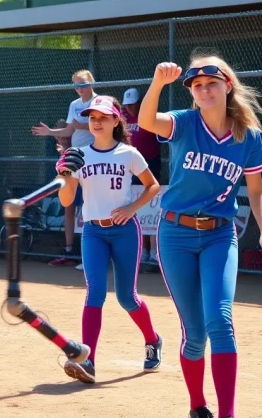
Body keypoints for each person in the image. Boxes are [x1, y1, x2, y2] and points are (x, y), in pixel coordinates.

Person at [139, 55, 262, 418]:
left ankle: (228, 413)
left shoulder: (246, 136)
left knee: (221, 320)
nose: (204, 90)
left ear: (227, 86)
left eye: (211, 84)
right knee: (195, 333)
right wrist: (157, 83)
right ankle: (198, 406)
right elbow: (146, 121)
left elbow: (256, 189)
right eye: (197, 86)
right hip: (176, 235)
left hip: (219, 235)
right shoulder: (185, 123)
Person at [57, 95, 162, 384]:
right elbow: (67, 199)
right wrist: (65, 174)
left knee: (128, 297)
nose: (97, 121)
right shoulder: (79, 154)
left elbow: (152, 186)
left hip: (125, 230)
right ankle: (88, 360)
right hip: (93, 231)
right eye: (92, 117)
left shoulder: (128, 153)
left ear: (117, 120)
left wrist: (131, 208)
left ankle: (152, 340)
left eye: (103, 117)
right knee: (95, 293)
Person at [32, 69, 97, 269]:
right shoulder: (74, 105)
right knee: (68, 202)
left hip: (93, 159)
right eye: (76, 84)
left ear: (91, 83)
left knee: (89, 206)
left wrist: (83, 126)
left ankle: (91, 256)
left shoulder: (99, 102)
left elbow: (105, 126)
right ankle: (69, 251)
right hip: (74, 160)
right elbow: (69, 129)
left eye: (83, 83)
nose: (79, 88)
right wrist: (50, 132)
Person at [121, 88, 161, 267]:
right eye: (127, 105)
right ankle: (142, 251)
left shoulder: (148, 115)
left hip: (151, 164)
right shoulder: (122, 118)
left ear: (139, 103)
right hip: (131, 167)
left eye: (133, 104)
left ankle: (153, 252)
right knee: (136, 208)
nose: (130, 108)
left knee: (151, 208)